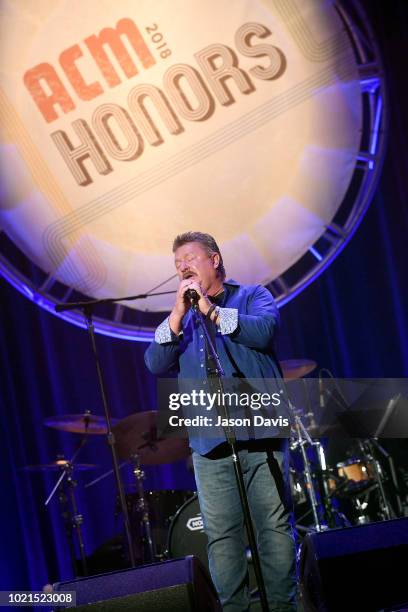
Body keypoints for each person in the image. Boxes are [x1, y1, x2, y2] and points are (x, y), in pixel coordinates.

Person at [145, 232, 297, 611]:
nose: (182, 266)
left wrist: (211, 310)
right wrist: (179, 314)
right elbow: (154, 362)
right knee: (222, 537)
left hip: (261, 432)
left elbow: (263, 332)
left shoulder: (251, 296)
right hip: (208, 444)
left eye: (190, 258)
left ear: (214, 260)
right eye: (177, 262)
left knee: (274, 530)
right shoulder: (182, 321)